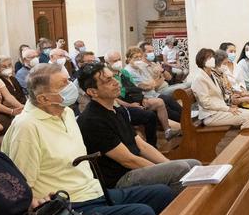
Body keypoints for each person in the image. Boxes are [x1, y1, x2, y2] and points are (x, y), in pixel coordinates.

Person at [1, 63, 176, 215]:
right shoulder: (26, 127)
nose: (71, 86)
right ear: (43, 98)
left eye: (68, 80)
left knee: (162, 193)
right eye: (63, 84)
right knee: (141, 214)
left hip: (93, 191)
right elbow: (24, 186)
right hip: (70, 204)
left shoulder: (66, 112)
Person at [76, 63, 199, 193]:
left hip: (133, 169)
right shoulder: (93, 120)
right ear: (92, 91)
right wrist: (165, 170)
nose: (116, 82)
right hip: (120, 178)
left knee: (193, 164)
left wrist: (167, 165)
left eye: (113, 77)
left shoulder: (118, 110)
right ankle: (180, 211)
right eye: (108, 80)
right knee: (179, 169)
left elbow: (142, 146)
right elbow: (128, 160)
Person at [190, 48, 249, 131]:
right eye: (209, 58)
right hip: (211, 115)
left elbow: (222, 94)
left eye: (212, 57)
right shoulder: (200, 78)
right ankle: (244, 143)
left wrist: (232, 102)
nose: (212, 59)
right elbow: (206, 103)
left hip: (220, 110)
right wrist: (228, 109)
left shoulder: (212, 75)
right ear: (202, 61)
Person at [122, 47, 181, 141]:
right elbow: (146, 86)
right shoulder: (128, 71)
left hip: (153, 93)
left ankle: (185, 121)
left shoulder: (140, 67)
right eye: (135, 57)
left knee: (169, 101)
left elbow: (152, 83)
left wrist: (153, 82)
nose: (138, 59)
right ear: (129, 59)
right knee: (163, 102)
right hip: (144, 96)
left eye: (140, 57)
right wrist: (154, 82)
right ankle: (183, 123)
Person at [216, 49, 249, 139]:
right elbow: (224, 95)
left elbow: (236, 85)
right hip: (230, 103)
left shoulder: (223, 74)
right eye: (224, 63)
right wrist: (242, 98)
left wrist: (242, 92)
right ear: (218, 63)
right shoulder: (218, 76)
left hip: (236, 96)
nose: (226, 65)